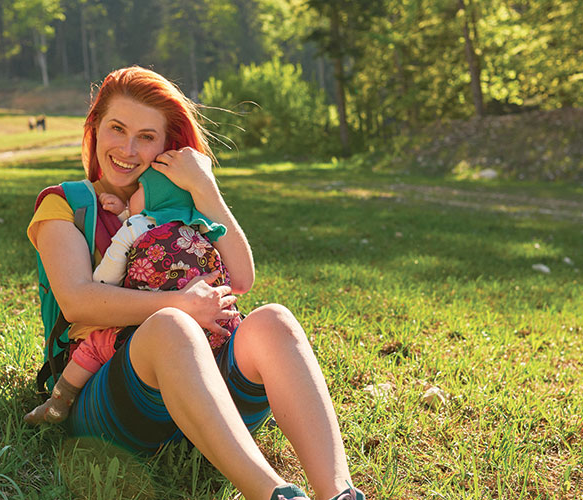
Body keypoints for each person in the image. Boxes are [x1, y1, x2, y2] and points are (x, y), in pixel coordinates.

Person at [27, 66, 365, 500]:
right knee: (171, 325)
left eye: (147, 137)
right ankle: (274, 495)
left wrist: (205, 187)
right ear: (94, 130)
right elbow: (78, 302)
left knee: (274, 321)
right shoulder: (65, 205)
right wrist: (181, 305)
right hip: (115, 400)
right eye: (117, 128)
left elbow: (242, 278)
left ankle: (339, 492)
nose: (128, 149)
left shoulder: (180, 205)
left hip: (207, 398)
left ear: (167, 146)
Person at [25, 167, 238, 425]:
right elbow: (237, 277)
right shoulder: (199, 225)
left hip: (141, 332)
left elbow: (106, 278)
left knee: (95, 348)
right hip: (209, 327)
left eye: (139, 189)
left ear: (151, 198)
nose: (131, 195)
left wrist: (125, 222)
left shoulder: (136, 226)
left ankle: (58, 402)